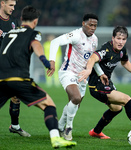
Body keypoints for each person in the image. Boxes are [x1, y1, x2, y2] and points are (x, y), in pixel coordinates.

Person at [0, 5, 77, 148]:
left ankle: (15, 125)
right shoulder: (33, 33)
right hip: (19, 79)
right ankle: (55, 138)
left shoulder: (8, 34)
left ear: (21, 19)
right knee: (49, 104)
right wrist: (46, 62)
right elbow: (36, 45)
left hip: (1, 79)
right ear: (35, 21)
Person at [78, 26, 131, 143]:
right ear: (113, 38)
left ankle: (96, 131)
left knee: (117, 108)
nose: (121, 42)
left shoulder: (122, 50)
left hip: (106, 84)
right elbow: (92, 58)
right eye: (118, 38)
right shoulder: (106, 49)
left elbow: (125, 62)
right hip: (96, 86)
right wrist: (88, 70)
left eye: (123, 39)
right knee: (127, 99)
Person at [48, 13, 103, 141]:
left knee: (74, 104)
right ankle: (68, 128)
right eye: (90, 25)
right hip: (68, 72)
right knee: (76, 97)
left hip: (82, 76)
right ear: (83, 23)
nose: (93, 27)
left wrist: (100, 73)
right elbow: (55, 42)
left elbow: (91, 60)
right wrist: (52, 61)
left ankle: (59, 126)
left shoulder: (95, 39)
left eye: (95, 25)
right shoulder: (75, 35)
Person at [0, 0, 30, 137]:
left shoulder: (14, 22)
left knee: (15, 95)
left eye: (14, 5)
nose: (13, 8)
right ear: (2, 3)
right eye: (11, 5)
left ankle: (15, 126)